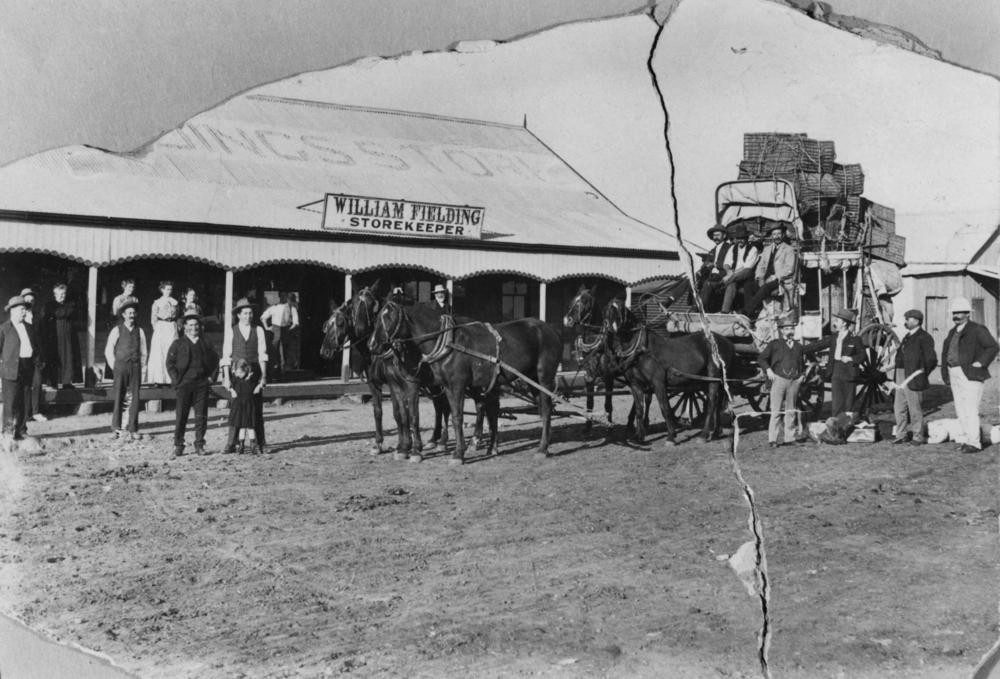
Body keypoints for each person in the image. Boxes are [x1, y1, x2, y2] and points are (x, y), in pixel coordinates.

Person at [941, 297, 999, 453]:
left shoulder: (977, 329)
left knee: (970, 409)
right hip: (954, 372)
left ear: (968, 314)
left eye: (960, 313)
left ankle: (974, 443)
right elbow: (946, 353)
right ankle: (966, 440)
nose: (956, 316)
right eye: (954, 313)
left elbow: (992, 347)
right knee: (960, 409)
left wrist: (981, 362)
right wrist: (946, 373)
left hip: (971, 374)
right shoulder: (952, 332)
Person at [166, 311, 219, 457]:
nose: (193, 328)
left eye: (196, 325)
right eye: (190, 325)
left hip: (201, 384)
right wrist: (177, 380)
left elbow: (215, 361)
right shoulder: (178, 344)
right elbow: (169, 364)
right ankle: (178, 444)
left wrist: (211, 378)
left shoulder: (206, 343)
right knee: (181, 416)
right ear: (184, 327)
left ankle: (200, 444)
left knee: (201, 416)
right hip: (184, 385)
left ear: (200, 327)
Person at [220, 298, 269, 454]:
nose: (248, 316)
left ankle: (260, 443)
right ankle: (232, 443)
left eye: (250, 313)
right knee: (236, 408)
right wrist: (227, 377)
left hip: (254, 373)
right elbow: (226, 356)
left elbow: (262, 355)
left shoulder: (259, 330)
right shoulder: (231, 331)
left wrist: (263, 376)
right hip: (237, 375)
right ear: (239, 315)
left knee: (256, 409)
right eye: (245, 313)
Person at [803, 308, 866, 418]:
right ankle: (837, 430)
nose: (835, 322)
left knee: (848, 405)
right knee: (836, 404)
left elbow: (862, 356)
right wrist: (799, 350)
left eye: (838, 320)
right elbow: (818, 345)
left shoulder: (855, 339)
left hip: (849, 373)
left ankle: (846, 429)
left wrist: (850, 359)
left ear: (844, 324)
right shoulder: (834, 338)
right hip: (835, 372)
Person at [758, 310, 806, 447]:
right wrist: (768, 370)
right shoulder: (774, 344)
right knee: (776, 411)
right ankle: (772, 439)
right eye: (786, 329)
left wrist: (802, 375)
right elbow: (761, 358)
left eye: (792, 328)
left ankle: (789, 438)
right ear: (781, 331)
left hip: (794, 381)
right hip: (779, 380)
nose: (790, 330)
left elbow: (801, 363)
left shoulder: (798, 346)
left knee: (791, 410)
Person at [0, 295, 41, 450]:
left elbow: (35, 347)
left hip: (27, 368)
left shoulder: (29, 328)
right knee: (10, 403)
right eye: (21, 309)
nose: (24, 312)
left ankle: (21, 431)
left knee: (24, 401)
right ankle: (7, 434)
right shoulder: (4, 329)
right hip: (10, 371)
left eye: (25, 309)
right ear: (12, 311)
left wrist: (37, 362)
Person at [891, 309, 937, 445]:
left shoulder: (925, 337)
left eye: (908, 319)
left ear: (916, 321)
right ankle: (901, 435)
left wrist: (921, 374)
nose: (905, 322)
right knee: (899, 407)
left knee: (914, 408)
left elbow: (931, 360)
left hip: (913, 376)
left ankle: (917, 436)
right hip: (900, 375)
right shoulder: (907, 336)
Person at [104, 296, 147, 440]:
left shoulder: (140, 331)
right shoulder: (117, 330)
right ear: (123, 315)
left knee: (135, 398)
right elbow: (108, 350)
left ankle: (133, 429)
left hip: (135, 366)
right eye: (129, 313)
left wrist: (143, 368)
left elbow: (144, 352)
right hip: (120, 366)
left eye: (134, 313)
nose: (132, 315)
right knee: (119, 396)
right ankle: (116, 429)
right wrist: (114, 365)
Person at [746, 221, 798, 317]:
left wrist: (774, 276)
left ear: (782, 235)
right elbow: (760, 265)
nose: (776, 236)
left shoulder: (788, 249)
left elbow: (789, 268)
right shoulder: (767, 249)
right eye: (774, 234)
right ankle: (752, 314)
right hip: (765, 279)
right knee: (749, 286)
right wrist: (759, 277)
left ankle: (747, 313)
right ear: (771, 236)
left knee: (765, 287)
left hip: (779, 280)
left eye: (779, 234)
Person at [18, 288, 47, 422]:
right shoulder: (18, 317)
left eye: (32, 300)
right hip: (22, 356)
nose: (29, 302)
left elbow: (42, 337)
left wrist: (42, 356)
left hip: (36, 355)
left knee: (37, 382)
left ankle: (35, 411)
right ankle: (24, 413)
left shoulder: (38, 316)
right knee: (24, 384)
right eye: (26, 299)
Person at [42, 283, 77, 390]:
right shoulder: (49, 306)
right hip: (54, 335)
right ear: (54, 294)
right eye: (59, 294)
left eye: (64, 294)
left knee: (67, 357)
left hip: (67, 336)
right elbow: (45, 320)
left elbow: (72, 315)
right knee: (54, 358)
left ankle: (66, 382)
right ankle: (53, 382)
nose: (62, 296)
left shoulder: (70, 305)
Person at [718, 224, 760, 313]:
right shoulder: (732, 248)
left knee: (747, 271)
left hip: (746, 276)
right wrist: (729, 271)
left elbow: (747, 267)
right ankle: (725, 311)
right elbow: (726, 263)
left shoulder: (753, 249)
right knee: (731, 285)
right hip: (733, 276)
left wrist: (730, 275)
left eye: (742, 238)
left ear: (746, 238)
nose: (740, 240)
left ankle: (722, 284)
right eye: (738, 238)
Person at [147, 281, 178, 386]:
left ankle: (170, 379)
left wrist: (176, 325)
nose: (169, 291)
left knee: (171, 351)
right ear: (162, 290)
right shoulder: (157, 302)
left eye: (170, 289)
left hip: (171, 327)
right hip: (161, 327)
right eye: (167, 289)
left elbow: (178, 316)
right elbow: (153, 319)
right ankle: (159, 379)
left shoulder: (174, 302)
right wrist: (158, 329)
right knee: (160, 352)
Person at [226, 358, 260, 454]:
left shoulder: (251, 380)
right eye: (237, 372)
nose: (239, 374)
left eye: (241, 372)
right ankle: (241, 445)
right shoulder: (235, 380)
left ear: (246, 370)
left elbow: (259, 384)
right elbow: (229, 386)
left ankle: (253, 444)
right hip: (239, 406)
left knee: (250, 427)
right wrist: (232, 391)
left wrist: (258, 386)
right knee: (241, 426)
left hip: (248, 406)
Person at [260, 293, 298, 377]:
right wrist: (267, 327)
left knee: (285, 352)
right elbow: (263, 318)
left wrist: (289, 329)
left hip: (286, 331)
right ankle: (275, 371)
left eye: (285, 297)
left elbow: (295, 322)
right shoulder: (274, 307)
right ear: (279, 297)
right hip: (276, 331)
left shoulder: (292, 308)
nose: (284, 298)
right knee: (274, 351)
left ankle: (283, 372)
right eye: (282, 296)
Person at [697, 225, 730, 311]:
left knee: (707, 283)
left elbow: (728, 264)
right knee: (691, 279)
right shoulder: (712, 250)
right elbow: (706, 264)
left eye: (718, 235)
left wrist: (714, 264)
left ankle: (701, 309)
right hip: (711, 276)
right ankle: (670, 299)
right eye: (714, 236)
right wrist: (702, 269)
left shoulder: (729, 248)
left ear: (724, 236)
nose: (715, 238)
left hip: (721, 276)